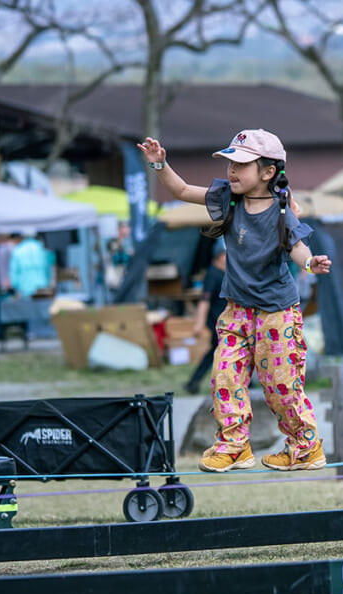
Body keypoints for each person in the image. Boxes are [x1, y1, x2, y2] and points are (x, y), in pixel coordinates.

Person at [138, 129, 332, 473]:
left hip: (277, 313)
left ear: (268, 172)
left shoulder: (283, 208)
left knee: (281, 387)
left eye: (241, 165)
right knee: (224, 378)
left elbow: (297, 246)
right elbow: (181, 190)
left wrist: (309, 263)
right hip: (236, 309)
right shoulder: (227, 197)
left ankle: (304, 446)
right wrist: (159, 165)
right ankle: (233, 445)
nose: (231, 171)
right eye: (229, 163)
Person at [183, 238, 228, 395]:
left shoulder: (224, 272)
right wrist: (199, 323)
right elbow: (204, 301)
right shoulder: (212, 274)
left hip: (224, 320)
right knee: (221, 351)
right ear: (220, 256)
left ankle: (193, 382)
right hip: (216, 320)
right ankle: (195, 382)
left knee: (216, 351)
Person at [9, 229, 52, 298]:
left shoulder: (17, 250)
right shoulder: (41, 248)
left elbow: (14, 271)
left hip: (24, 288)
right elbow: (48, 268)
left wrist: (15, 285)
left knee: (26, 308)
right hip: (42, 285)